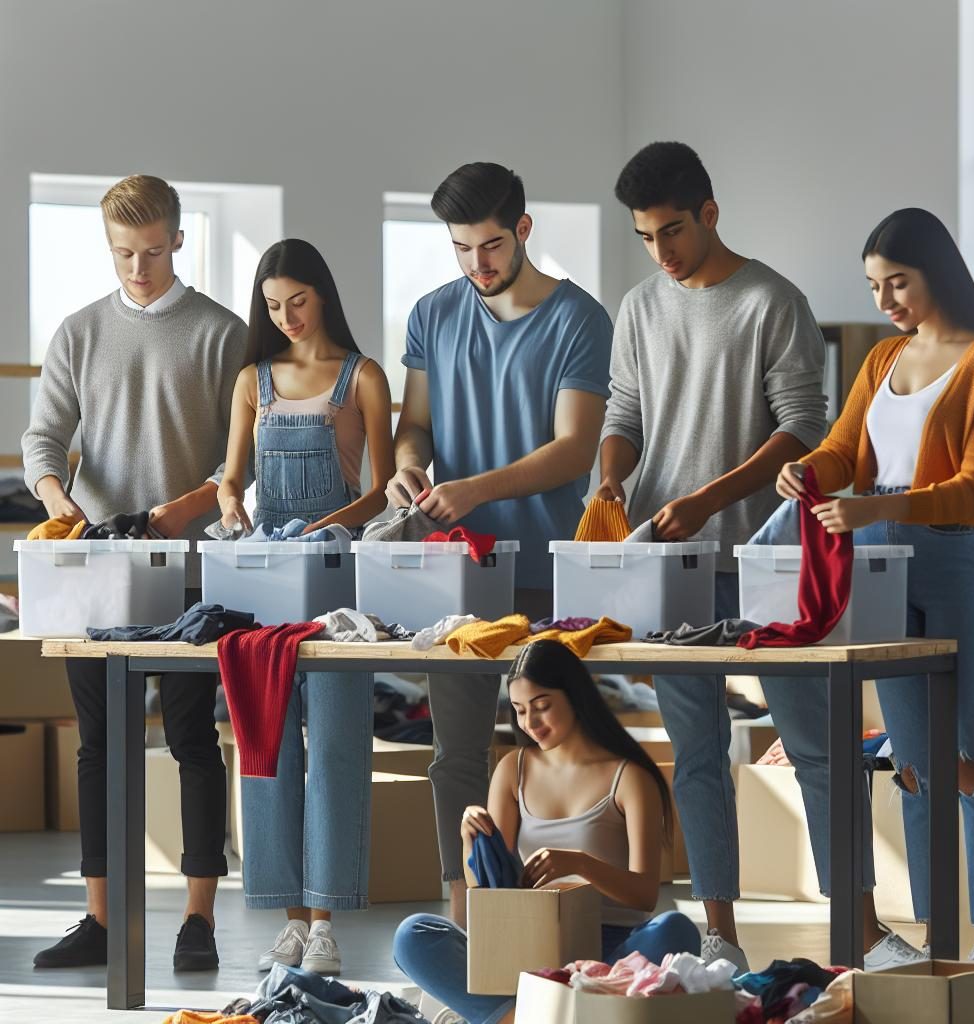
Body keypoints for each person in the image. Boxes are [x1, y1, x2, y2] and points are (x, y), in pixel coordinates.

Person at [764, 207, 974, 967]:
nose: (885, 302)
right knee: (913, 763)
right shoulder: (882, 359)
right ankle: (935, 938)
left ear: (936, 271)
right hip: (877, 561)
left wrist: (884, 504)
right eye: (875, 286)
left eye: (897, 283)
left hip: (955, 560)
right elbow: (845, 450)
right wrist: (806, 472)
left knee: (970, 754)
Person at [597, 141, 827, 969]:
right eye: (645, 237)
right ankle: (720, 932)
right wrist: (612, 477)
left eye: (671, 231)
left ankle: (854, 930)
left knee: (811, 743)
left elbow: (803, 426)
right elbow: (622, 412)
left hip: (761, 557)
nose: (660, 252)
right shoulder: (638, 307)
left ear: (710, 213)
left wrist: (708, 501)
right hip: (668, 561)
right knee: (694, 750)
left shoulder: (772, 301)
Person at [24, 174, 248, 971]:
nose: (139, 268)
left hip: (191, 573)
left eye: (153, 252)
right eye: (124, 254)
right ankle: (101, 920)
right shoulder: (80, 332)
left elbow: (240, 458)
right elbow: (44, 438)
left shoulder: (222, 334)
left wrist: (188, 507)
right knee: (100, 745)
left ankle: (198, 919)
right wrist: (62, 499)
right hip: (99, 571)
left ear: (180, 240)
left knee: (191, 738)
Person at [386, 162, 613, 926]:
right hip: (460, 581)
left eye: (489, 246)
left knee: (553, 753)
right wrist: (409, 467)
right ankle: (466, 918)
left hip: (550, 576)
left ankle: (557, 914)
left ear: (522, 231)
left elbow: (577, 448)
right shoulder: (432, 314)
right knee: (455, 753)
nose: (476, 265)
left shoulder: (580, 319)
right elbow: (412, 423)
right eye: (460, 249)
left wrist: (476, 488)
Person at [217, 238, 394, 974]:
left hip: (339, 584)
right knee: (268, 748)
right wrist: (231, 512)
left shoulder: (363, 377)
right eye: (271, 305)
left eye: (297, 300)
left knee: (339, 750)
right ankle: (291, 918)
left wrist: (328, 528)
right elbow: (230, 479)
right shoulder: (252, 381)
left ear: (323, 295)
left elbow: (382, 490)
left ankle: (327, 920)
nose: (285, 316)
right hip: (268, 587)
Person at [393, 640, 700, 1024]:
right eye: (520, 711)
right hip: (526, 945)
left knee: (675, 930)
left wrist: (580, 865)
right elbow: (489, 891)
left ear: (575, 696)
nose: (530, 724)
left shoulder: (630, 778)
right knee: (413, 935)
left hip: (608, 953)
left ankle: (528, 1014)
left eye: (541, 707)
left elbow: (644, 895)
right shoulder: (513, 769)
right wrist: (470, 839)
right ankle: (549, 1016)